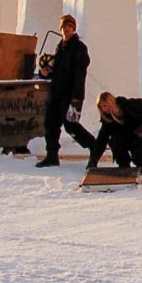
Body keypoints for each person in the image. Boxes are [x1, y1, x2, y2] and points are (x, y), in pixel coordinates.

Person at [36, 14, 96, 168]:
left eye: (70, 27)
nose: (67, 29)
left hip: (71, 95)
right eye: (64, 27)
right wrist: (46, 73)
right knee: (50, 124)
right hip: (56, 93)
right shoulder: (61, 46)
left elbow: (79, 74)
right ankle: (52, 156)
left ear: (74, 29)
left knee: (71, 126)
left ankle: (95, 147)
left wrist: (76, 97)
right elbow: (57, 71)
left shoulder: (79, 48)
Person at [88, 91, 142, 174]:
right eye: (101, 107)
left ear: (111, 103)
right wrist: (93, 160)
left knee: (137, 146)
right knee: (115, 142)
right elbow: (101, 140)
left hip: (141, 130)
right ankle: (124, 165)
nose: (103, 109)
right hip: (126, 134)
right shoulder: (107, 120)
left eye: (105, 105)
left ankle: (141, 166)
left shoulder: (128, 105)